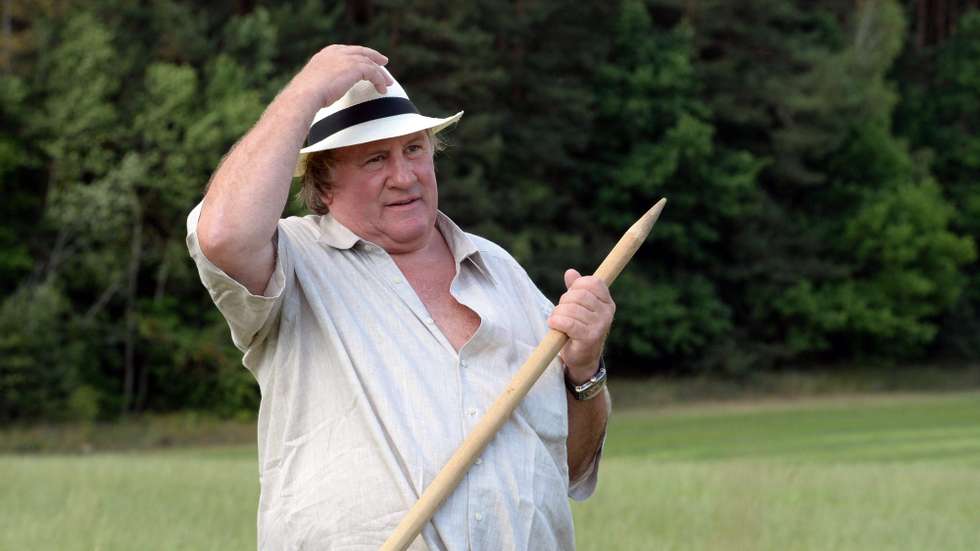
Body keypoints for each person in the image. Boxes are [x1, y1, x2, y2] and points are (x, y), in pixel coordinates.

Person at [186, 44, 613, 550]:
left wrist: (586, 372)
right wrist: (304, 93)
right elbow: (223, 235)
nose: (405, 176)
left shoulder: (501, 271)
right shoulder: (293, 262)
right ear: (323, 183)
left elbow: (570, 465)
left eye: (414, 149)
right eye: (374, 159)